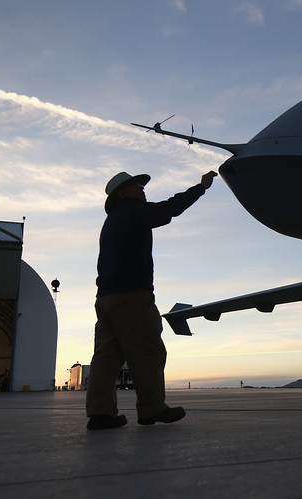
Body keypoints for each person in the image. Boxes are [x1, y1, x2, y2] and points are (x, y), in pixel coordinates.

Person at [86, 170, 217, 430]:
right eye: (137, 185)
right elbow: (169, 209)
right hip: (131, 297)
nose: (142, 189)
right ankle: (152, 408)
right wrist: (200, 188)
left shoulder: (113, 220)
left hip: (106, 298)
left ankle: (100, 413)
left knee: (106, 357)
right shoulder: (132, 212)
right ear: (121, 193)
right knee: (148, 351)